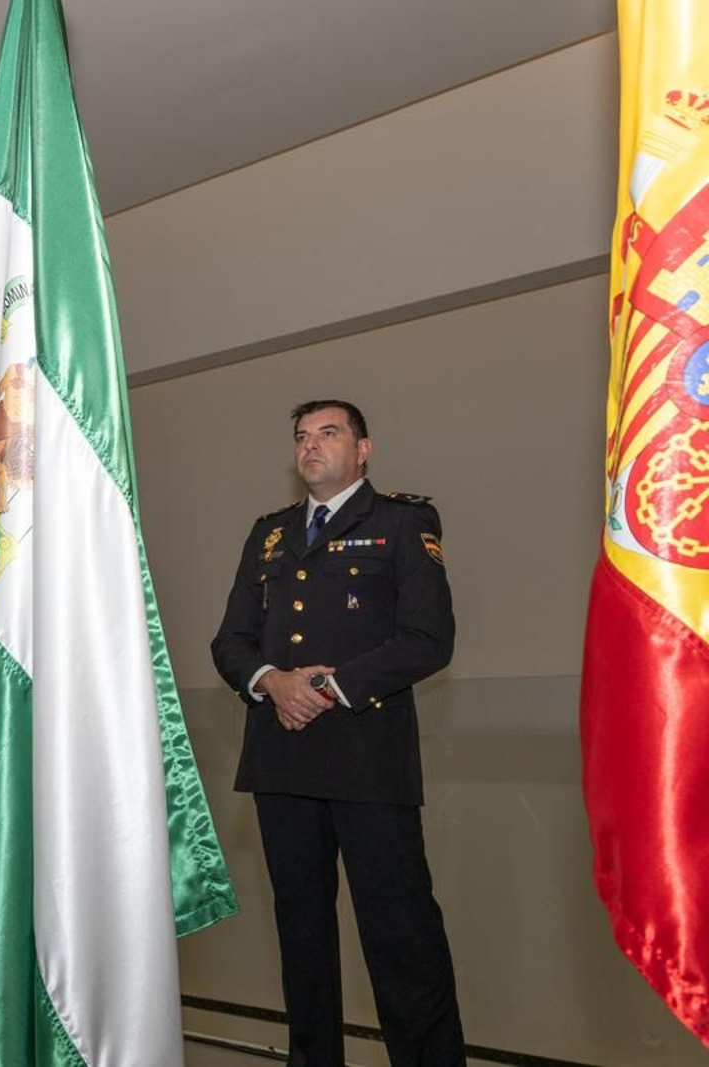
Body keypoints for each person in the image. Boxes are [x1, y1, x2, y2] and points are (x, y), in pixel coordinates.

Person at [211, 400, 464, 1067]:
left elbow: (429, 638)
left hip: (367, 758)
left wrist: (324, 687)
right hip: (281, 760)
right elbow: (231, 640)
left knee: (402, 936)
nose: (311, 445)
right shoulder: (268, 534)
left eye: (328, 433)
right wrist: (272, 680)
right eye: (301, 436)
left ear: (364, 449)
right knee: (302, 940)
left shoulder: (403, 523)